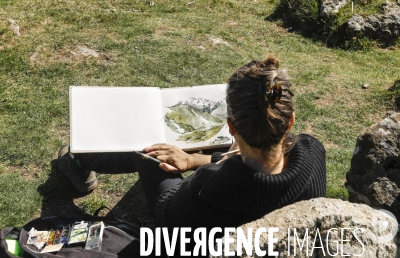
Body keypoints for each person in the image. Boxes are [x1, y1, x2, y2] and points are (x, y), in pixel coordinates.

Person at [59, 56, 326, 232]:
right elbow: (258, 174)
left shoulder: (208, 187)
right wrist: (194, 160)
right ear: (290, 121)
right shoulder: (313, 153)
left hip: (192, 216)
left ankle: (78, 159)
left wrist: (190, 165)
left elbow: (167, 213)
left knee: (147, 150)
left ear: (231, 127)